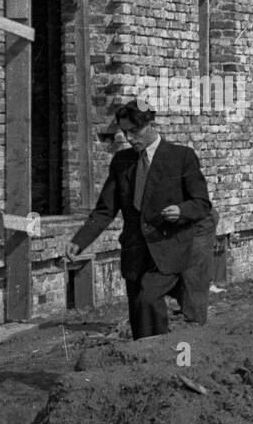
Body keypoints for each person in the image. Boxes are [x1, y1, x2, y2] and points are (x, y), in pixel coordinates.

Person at [65, 101, 212, 340]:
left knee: (149, 299)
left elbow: (202, 203)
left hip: (169, 248)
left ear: (152, 124)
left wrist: (181, 211)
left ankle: (161, 355)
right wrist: (80, 241)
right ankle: (143, 363)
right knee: (139, 318)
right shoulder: (122, 161)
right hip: (135, 251)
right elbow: (106, 209)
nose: (130, 138)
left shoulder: (181, 157)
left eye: (135, 131)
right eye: (125, 132)